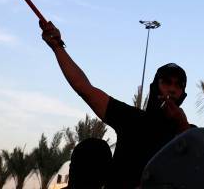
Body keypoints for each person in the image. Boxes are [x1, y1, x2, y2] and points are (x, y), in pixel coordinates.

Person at [39, 20, 192, 189]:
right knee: (92, 150)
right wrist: (57, 47)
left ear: (182, 94)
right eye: (167, 82)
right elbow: (85, 89)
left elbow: (199, 166)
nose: (172, 89)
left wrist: (182, 125)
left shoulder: (190, 134)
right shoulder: (132, 119)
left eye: (178, 85)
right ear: (155, 86)